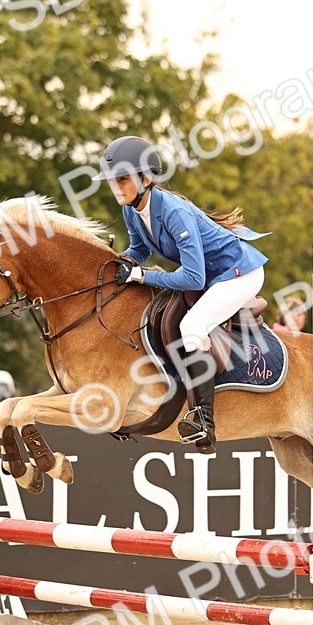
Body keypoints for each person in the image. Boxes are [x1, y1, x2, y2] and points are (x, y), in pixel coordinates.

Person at [95, 135, 269, 454]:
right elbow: (140, 249)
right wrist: (119, 262)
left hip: (239, 274)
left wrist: (141, 275)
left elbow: (193, 277)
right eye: (112, 181)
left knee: (191, 326)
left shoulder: (174, 212)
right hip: (212, 276)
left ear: (146, 179)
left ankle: (204, 422)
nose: (116, 188)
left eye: (123, 179)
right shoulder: (132, 209)